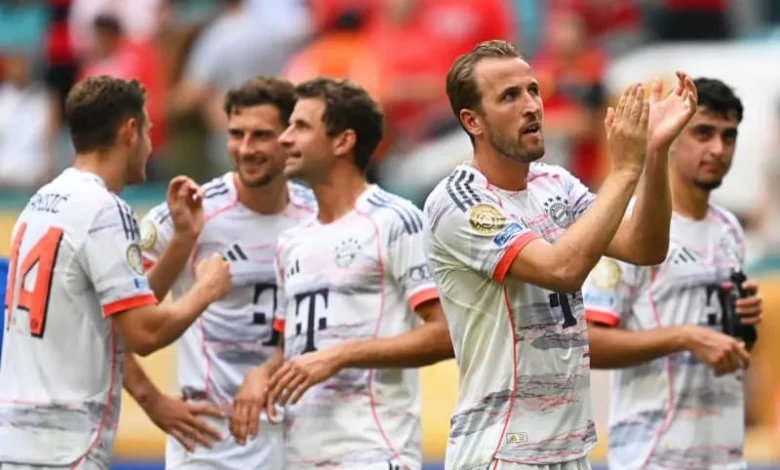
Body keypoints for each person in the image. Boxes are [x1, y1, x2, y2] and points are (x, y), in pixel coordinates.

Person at [423, 39, 698, 470]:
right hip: (501, 449)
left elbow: (646, 247)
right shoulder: (458, 201)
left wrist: (654, 155)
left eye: (533, 90)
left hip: (568, 448)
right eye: (510, 96)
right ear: (472, 121)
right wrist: (623, 168)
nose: (532, 105)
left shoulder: (556, 184)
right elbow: (563, 269)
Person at [0, 76, 231, 470]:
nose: (151, 145)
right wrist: (206, 289)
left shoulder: (41, 200)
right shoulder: (105, 210)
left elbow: (120, 310)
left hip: (18, 434)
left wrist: (182, 240)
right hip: (67, 444)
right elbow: (144, 333)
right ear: (129, 130)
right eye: (149, 130)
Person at [229, 77, 453, 470]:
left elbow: (447, 333)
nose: (284, 139)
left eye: (300, 127)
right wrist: (260, 374)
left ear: (342, 141)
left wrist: (341, 356)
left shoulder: (395, 220)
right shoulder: (292, 242)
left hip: (375, 454)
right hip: (300, 457)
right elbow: (294, 349)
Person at [124, 76, 317, 469]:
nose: (246, 149)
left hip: (301, 439)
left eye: (261, 135)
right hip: (210, 446)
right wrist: (153, 402)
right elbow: (114, 324)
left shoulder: (319, 216)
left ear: (290, 137)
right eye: (236, 134)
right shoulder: (186, 215)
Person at [582, 77, 763, 470]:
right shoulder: (626, 230)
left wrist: (743, 323)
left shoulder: (730, 228)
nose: (718, 148)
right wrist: (684, 337)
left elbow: (722, 340)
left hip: (725, 457)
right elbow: (588, 344)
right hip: (653, 457)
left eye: (728, 136)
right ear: (673, 134)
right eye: (703, 133)